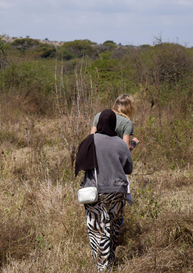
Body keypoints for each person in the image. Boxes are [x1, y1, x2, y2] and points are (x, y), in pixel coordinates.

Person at [76, 109, 133, 271]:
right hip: (119, 191)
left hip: (97, 191)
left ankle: (102, 267)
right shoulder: (121, 143)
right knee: (114, 226)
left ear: (98, 122)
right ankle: (111, 260)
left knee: (98, 229)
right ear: (114, 124)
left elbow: (80, 161)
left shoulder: (91, 140)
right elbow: (128, 168)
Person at [91, 93, 139, 205]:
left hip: (97, 161)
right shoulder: (127, 123)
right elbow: (125, 147)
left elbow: (92, 138)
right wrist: (134, 143)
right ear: (130, 107)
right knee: (118, 197)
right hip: (115, 165)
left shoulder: (99, 115)